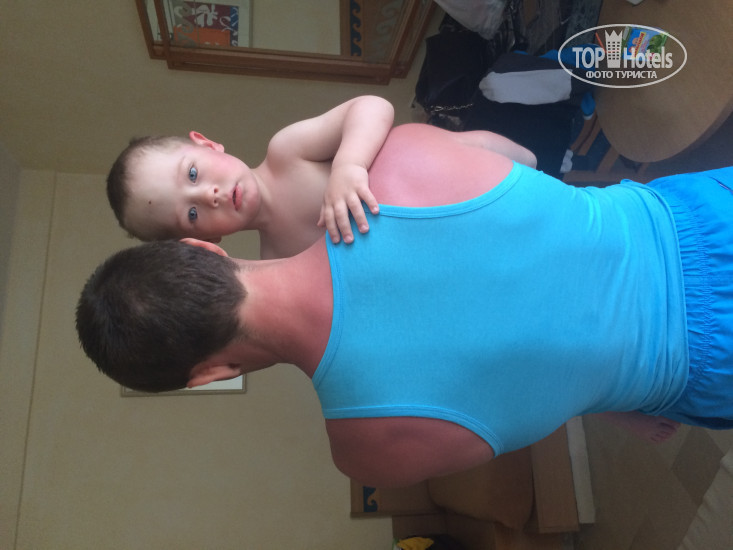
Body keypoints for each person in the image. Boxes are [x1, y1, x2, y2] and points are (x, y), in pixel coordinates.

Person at [77, 123, 733, 488]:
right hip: (696, 217)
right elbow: (523, 160)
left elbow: (542, 383)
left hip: (699, 367)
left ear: (210, 375)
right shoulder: (394, 158)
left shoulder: (370, 454)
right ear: (205, 248)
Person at [106, 95, 536, 259]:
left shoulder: (286, 153)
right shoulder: (278, 262)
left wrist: (348, 166)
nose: (209, 194)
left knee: (526, 167)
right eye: (192, 214)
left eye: (193, 174)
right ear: (206, 239)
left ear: (207, 144)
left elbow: (371, 107)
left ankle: (549, 168)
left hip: (450, 167)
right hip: (447, 238)